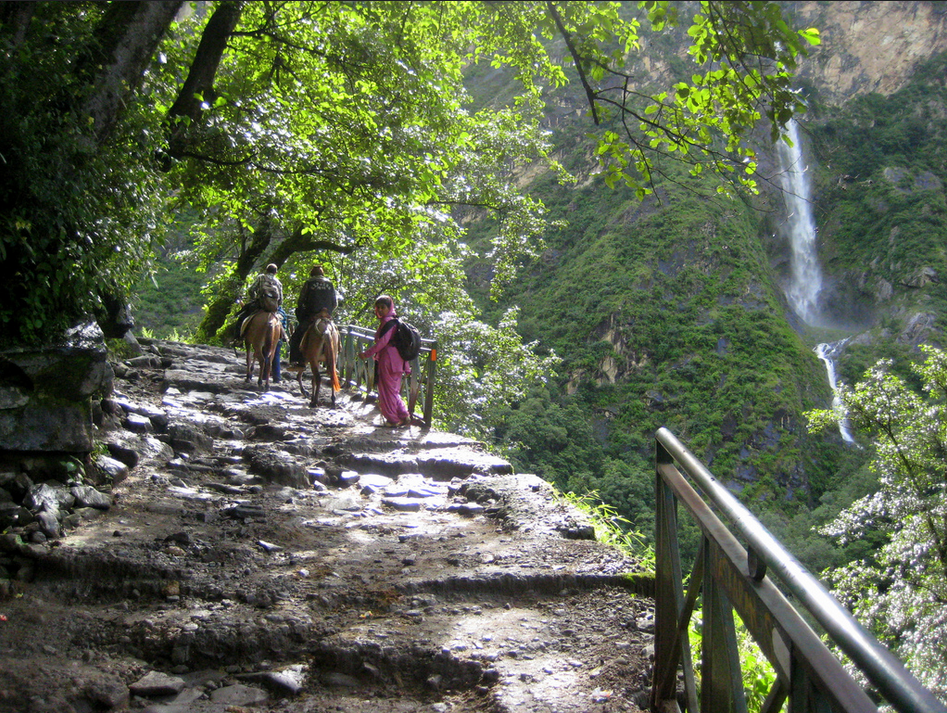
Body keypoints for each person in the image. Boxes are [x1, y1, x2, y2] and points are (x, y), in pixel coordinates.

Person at [359, 295, 411, 427]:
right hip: (399, 361)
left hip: (388, 360)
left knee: (385, 391)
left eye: (383, 307)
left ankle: (392, 420)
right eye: (379, 307)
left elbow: (382, 342)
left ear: (389, 308)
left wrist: (366, 354)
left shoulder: (387, 323)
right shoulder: (396, 321)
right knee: (392, 390)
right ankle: (404, 415)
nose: (380, 310)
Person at [288, 265, 338, 366]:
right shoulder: (330, 283)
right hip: (326, 316)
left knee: (297, 335)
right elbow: (335, 303)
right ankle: (336, 356)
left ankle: (297, 361)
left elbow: (301, 301)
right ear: (322, 273)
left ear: (312, 274)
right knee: (337, 333)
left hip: (312, 316)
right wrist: (328, 313)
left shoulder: (309, 283)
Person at [229, 264, 283, 343]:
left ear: (266, 270)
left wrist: (254, 298)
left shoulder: (261, 277)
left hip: (260, 305)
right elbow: (281, 300)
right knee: (280, 321)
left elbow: (251, 290)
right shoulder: (278, 282)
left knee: (242, 318)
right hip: (273, 308)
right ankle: (282, 337)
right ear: (276, 272)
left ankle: (238, 339)